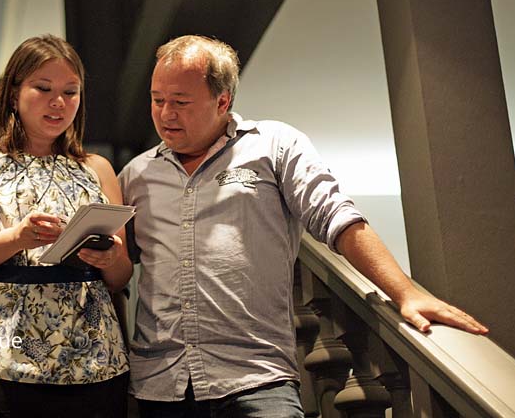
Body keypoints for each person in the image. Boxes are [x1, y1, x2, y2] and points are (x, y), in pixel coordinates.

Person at [118, 35, 488, 417]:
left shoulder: (274, 145)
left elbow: (337, 217)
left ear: (222, 101)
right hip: (161, 387)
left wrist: (405, 292)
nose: (165, 114)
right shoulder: (135, 175)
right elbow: (115, 269)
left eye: (180, 102)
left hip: (257, 381)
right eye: (157, 100)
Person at [0, 35, 132, 418]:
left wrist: (111, 257)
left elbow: (121, 277)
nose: (58, 103)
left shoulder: (97, 168)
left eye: (70, 92)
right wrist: (17, 238)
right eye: (43, 88)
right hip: (4, 355)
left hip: (95, 354)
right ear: (13, 94)